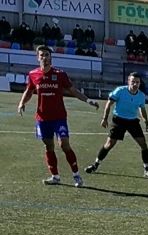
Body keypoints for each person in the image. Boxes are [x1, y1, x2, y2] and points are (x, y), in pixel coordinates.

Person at [16, 45, 99, 187]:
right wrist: (21, 103)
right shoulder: (33, 74)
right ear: (38, 58)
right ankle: (55, 176)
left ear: (50, 57)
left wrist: (88, 100)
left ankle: (76, 175)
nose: (44, 57)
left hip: (59, 117)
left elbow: (73, 90)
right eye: (41, 55)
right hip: (42, 118)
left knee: (64, 144)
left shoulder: (60, 74)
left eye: (47, 55)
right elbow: (29, 91)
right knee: (49, 147)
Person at [85, 72, 148, 178]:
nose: (135, 84)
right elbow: (109, 103)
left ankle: (147, 169)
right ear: (128, 81)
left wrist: (147, 123)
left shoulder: (141, 95)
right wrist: (104, 118)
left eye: (137, 82)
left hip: (132, 121)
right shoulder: (120, 91)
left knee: (143, 145)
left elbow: (142, 109)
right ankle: (95, 164)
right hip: (119, 120)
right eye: (133, 82)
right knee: (109, 144)